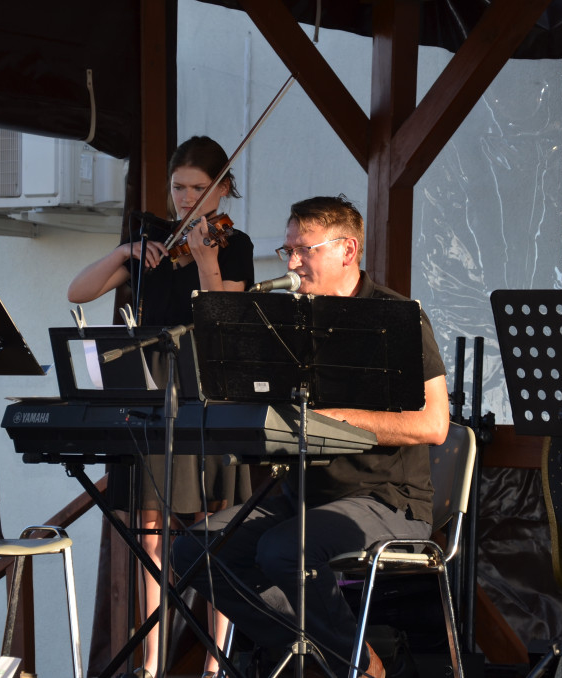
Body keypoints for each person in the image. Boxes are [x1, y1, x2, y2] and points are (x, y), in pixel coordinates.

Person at [171, 195, 450, 678]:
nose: (294, 262)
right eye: (288, 251)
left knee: (283, 549)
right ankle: (320, 653)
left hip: (387, 500)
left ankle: (358, 666)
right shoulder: (290, 319)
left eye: (305, 250)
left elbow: (433, 425)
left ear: (348, 250)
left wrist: (339, 418)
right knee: (193, 552)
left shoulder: (398, 316)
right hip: (304, 497)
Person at [68, 136, 255, 678]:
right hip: (155, 387)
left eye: (200, 189)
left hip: (209, 388)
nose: (187, 199)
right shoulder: (151, 245)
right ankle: (151, 660)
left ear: (222, 189)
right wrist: (124, 252)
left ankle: (215, 664)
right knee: (150, 527)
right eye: (179, 187)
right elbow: (77, 292)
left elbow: (228, 320)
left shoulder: (231, 244)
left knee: (216, 521)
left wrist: (204, 261)